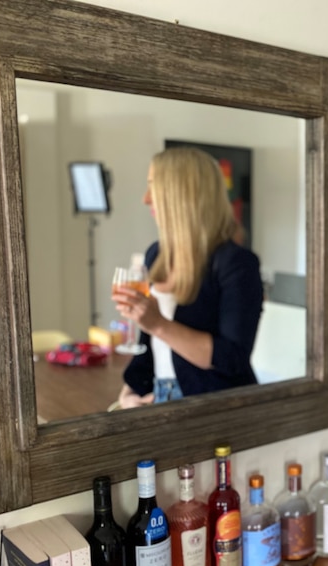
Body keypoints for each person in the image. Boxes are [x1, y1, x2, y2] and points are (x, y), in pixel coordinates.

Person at [112, 146, 263, 407]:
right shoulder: (155, 253)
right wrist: (129, 393)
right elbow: (149, 341)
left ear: (183, 194)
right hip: (161, 394)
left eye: (154, 187)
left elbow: (233, 358)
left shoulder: (237, 264)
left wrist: (157, 323)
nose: (145, 199)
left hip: (215, 407)